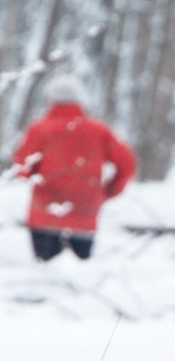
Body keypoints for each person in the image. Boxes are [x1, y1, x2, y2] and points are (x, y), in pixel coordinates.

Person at [14, 75, 137, 261]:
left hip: (45, 215)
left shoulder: (39, 128)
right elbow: (127, 162)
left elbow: (22, 165)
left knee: (44, 277)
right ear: (79, 100)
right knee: (79, 279)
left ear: (51, 100)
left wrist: (38, 180)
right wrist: (110, 191)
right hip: (85, 215)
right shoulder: (99, 130)